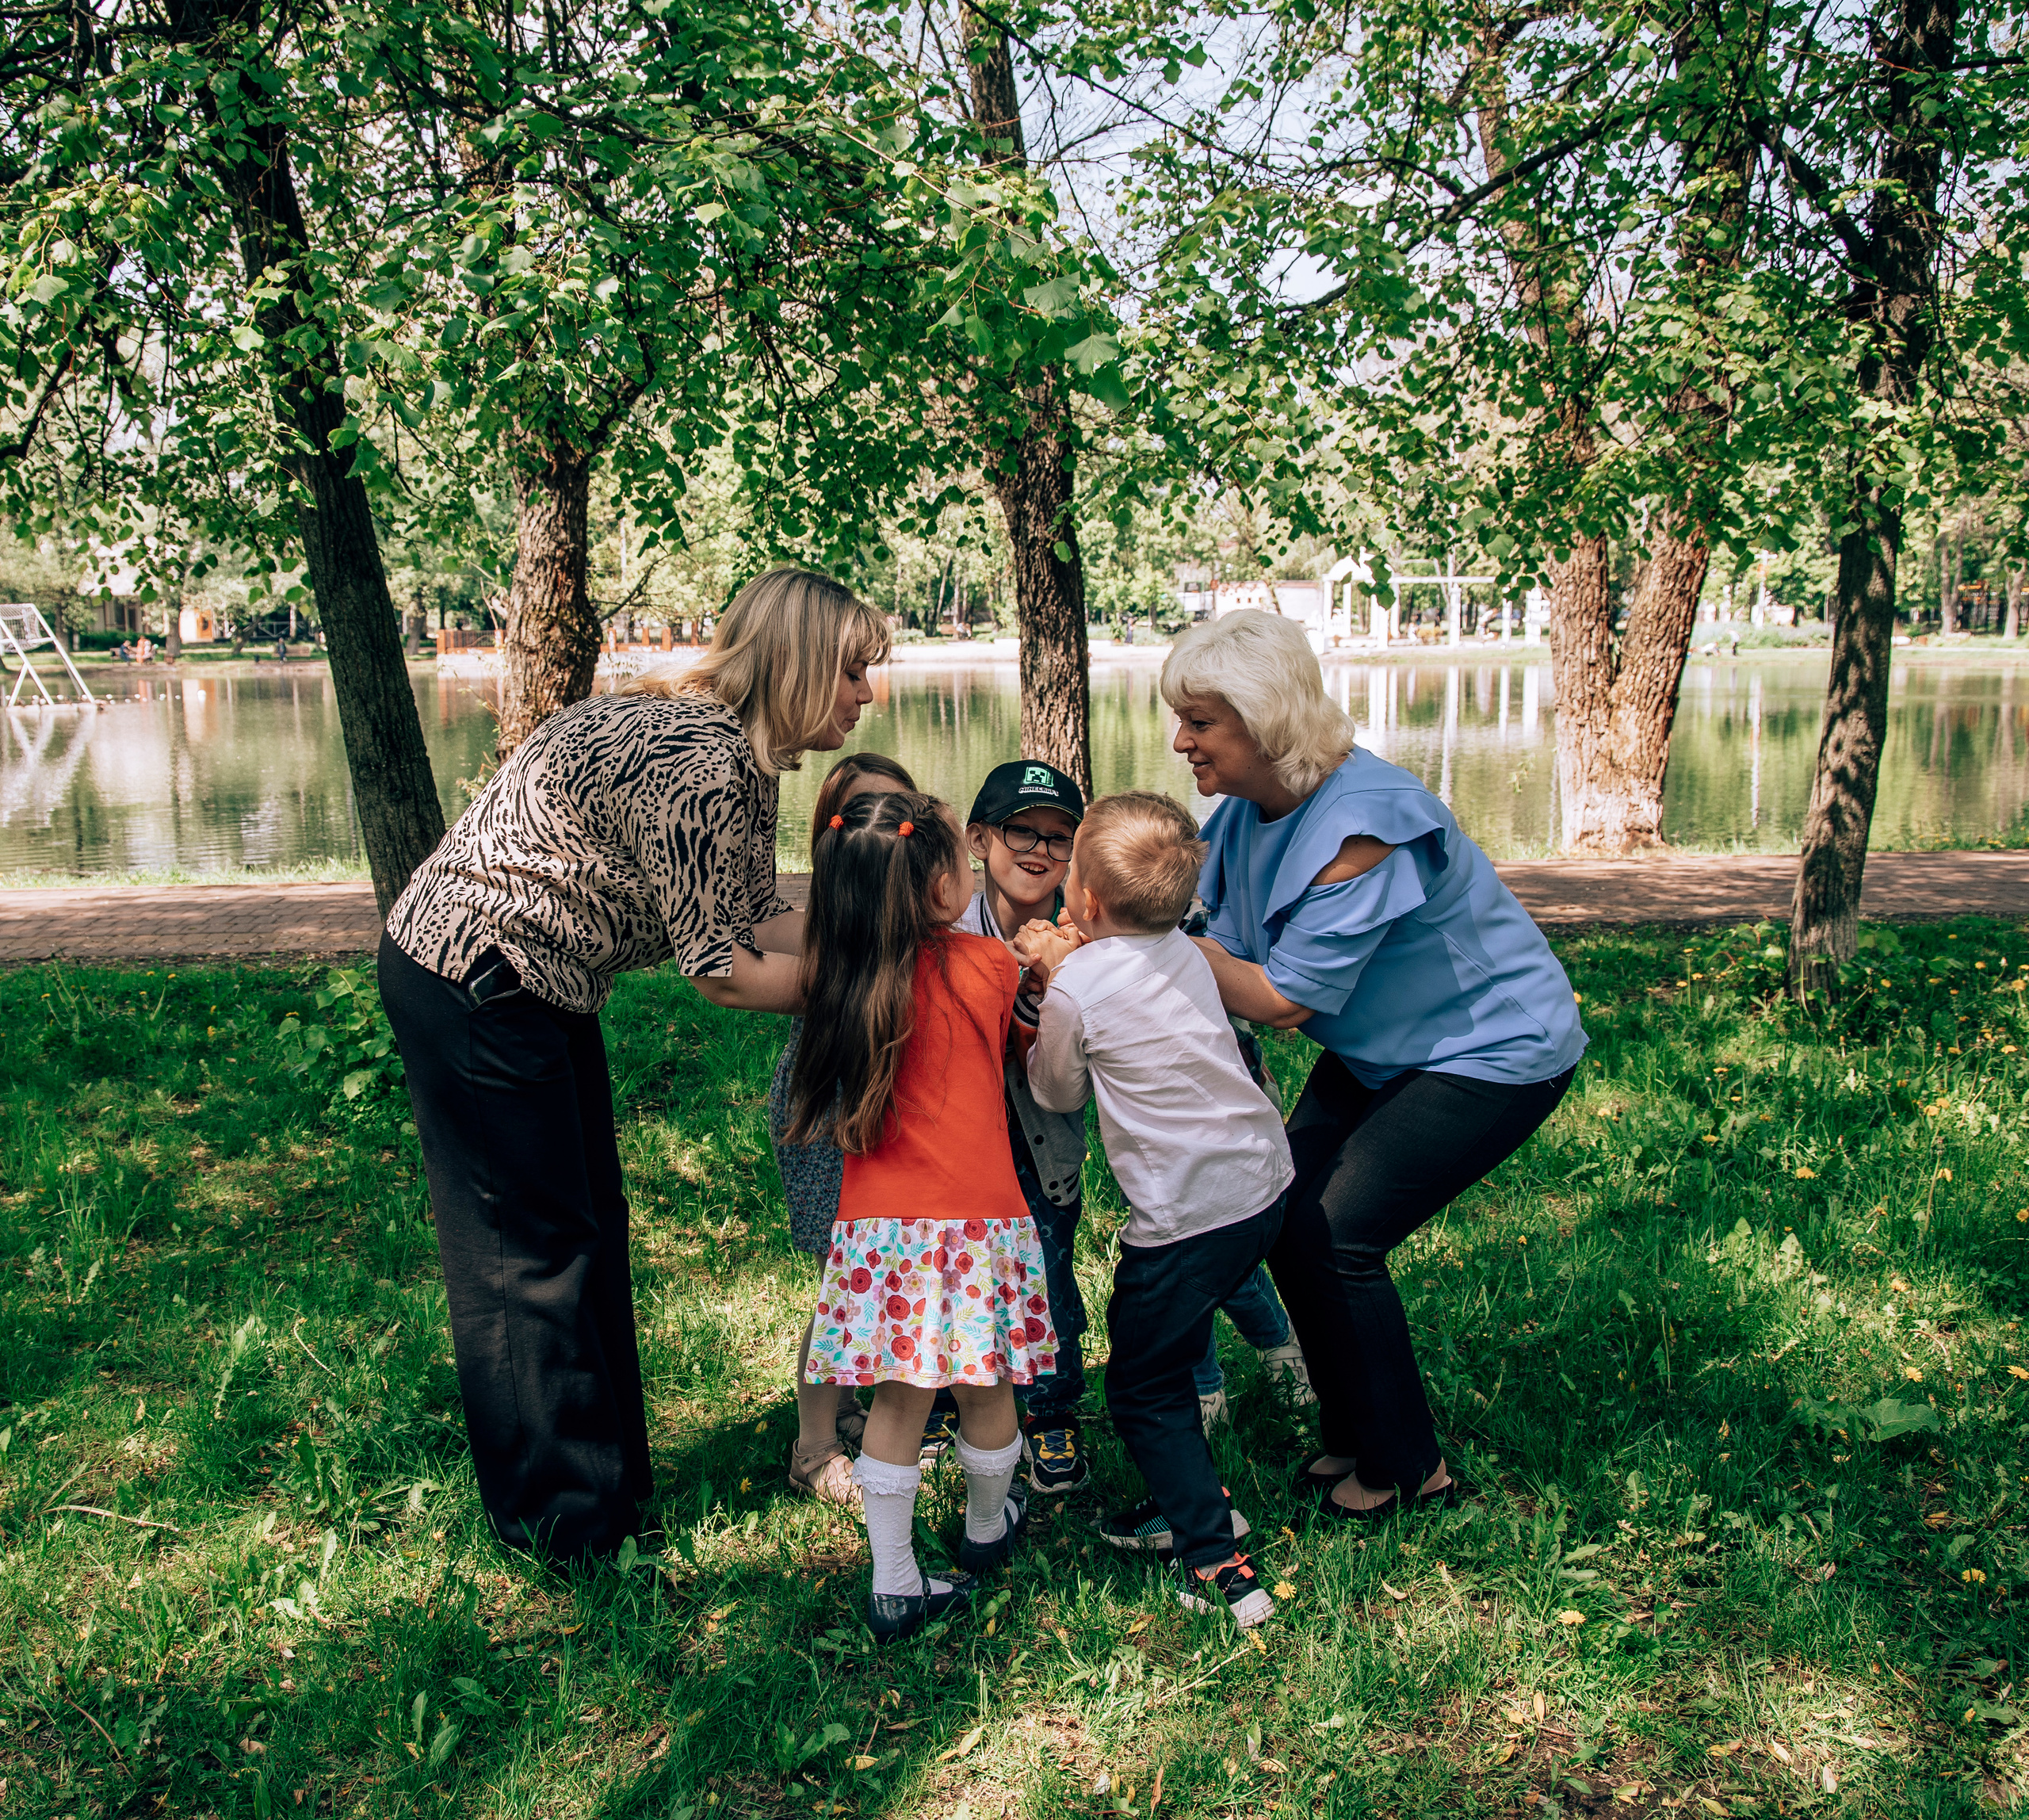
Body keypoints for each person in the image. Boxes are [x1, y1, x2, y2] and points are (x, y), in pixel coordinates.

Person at [376, 567, 885, 1561]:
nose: (867, 696)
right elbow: (725, 970)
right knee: (530, 1251)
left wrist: (893, 925)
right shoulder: (697, 758)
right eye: (855, 672)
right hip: (476, 974)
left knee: (588, 1223)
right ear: (801, 662)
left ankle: (610, 1486)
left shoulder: (734, 753)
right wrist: (880, 988)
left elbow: (751, 911)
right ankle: (564, 1531)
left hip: (535, 980)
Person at [1163, 610, 1586, 1521]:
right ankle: (1353, 1431)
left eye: (1201, 721)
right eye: (1182, 719)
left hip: (1493, 1051)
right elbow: (1216, 930)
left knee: (1336, 1230)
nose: (1180, 740)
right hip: (1380, 1049)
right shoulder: (1242, 812)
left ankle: (1407, 1467)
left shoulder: (1364, 827)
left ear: (1263, 718)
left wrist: (1153, 946)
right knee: (1283, 1212)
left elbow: (1282, 999)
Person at [1018, 792, 1290, 1630]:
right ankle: (1191, 1497)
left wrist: (1048, 977)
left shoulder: (1077, 986)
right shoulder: (1186, 949)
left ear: (1086, 901)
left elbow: (1054, 1089)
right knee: (1160, 1355)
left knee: (1140, 1387)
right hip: (1260, 1184)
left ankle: (1217, 1561)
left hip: (1186, 1216)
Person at [793, 790, 1057, 1641]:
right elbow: (1020, 1036)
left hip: (882, 1234)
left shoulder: (836, 979)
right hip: (981, 1224)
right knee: (988, 1388)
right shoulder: (986, 966)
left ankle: (896, 1581)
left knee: (900, 1401)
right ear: (940, 882)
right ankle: (986, 1529)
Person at [769, 751, 919, 1507]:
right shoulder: (831, 937)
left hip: (888, 1121)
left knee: (887, 1274)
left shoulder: (915, 928)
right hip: (828, 1119)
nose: (882, 829)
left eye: (899, 813)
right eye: (863, 813)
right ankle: (814, 1440)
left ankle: (859, 1406)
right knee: (845, 1282)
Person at [953, 759, 1093, 1494]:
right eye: (1020, 831)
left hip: (1043, 1133)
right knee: (964, 1266)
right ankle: (966, 1395)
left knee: (1047, 1262)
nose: (1039, 850)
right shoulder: (943, 929)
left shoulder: (1090, 937)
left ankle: (1053, 1406)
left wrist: (1050, 982)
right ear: (979, 839)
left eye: (1059, 838)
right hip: (962, 1140)